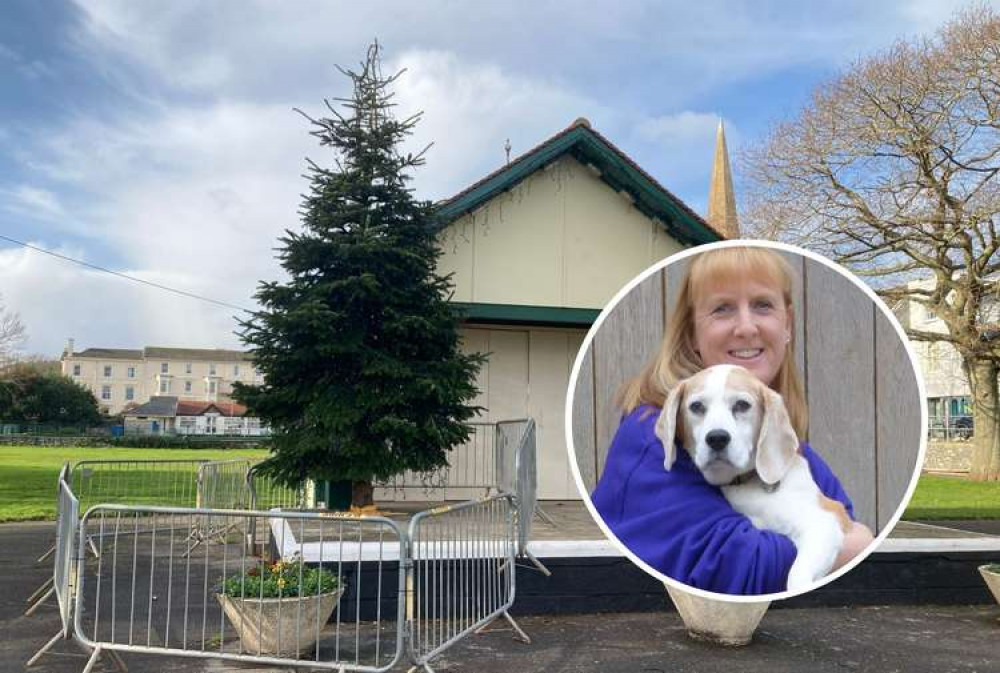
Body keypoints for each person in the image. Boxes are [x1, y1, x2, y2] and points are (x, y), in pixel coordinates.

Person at [591, 246, 874, 595]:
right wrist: (847, 546)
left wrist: (846, 538)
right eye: (722, 309)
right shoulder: (650, 433)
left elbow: (844, 514)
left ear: (787, 325)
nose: (746, 327)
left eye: (762, 305)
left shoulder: (788, 444)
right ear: (692, 333)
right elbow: (733, 565)